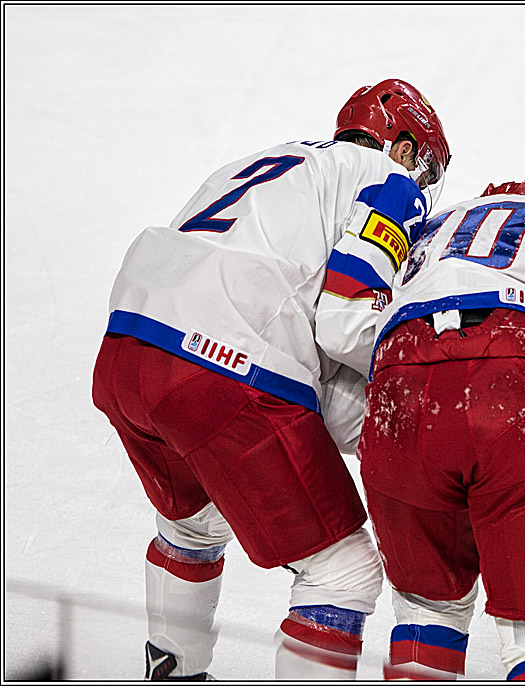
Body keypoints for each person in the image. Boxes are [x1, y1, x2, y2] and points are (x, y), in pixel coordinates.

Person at [91, 78, 450, 680]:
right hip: (220, 366)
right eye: (428, 167)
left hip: (127, 349)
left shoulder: (264, 161)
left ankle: (176, 672)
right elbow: (343, 324)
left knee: (194, 523)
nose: (424, 186)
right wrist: (413, 390)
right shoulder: (388, 182)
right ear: (407, 145)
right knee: (344, 571)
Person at [358, 179, 525, 680]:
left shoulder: (430, 227)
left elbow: (345, 322)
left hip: (397, 378)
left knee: (427, 614)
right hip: (512, 374)